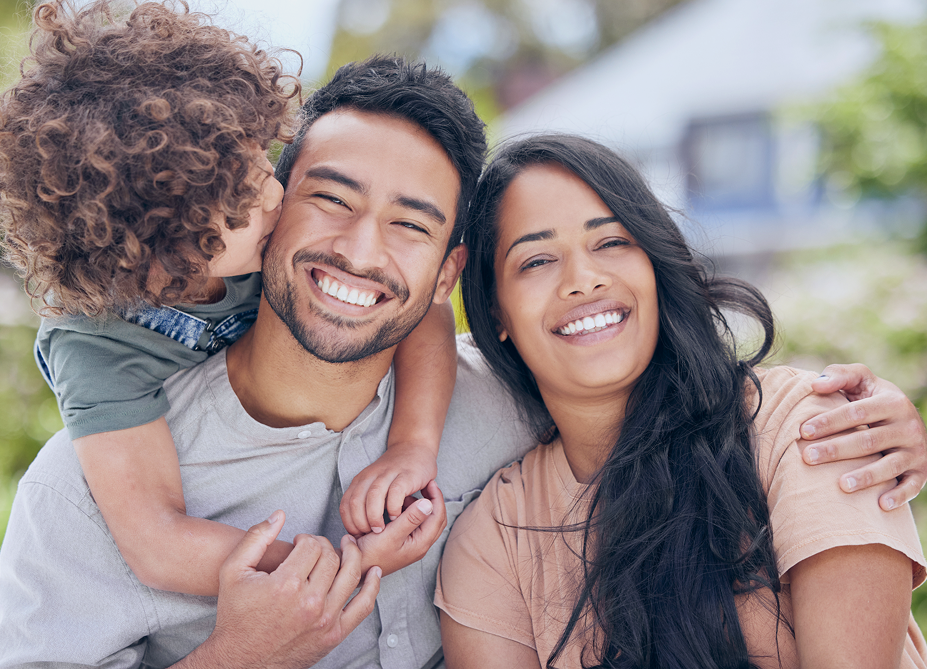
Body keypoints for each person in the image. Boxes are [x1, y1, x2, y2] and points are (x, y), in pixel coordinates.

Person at [0, 44, 924, 669]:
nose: (363, 252)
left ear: (447, 273)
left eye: (411, 225)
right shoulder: (90, 488)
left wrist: (867, 415)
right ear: (272, 211)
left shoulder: (515, 413)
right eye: (332, 201)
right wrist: (236, 656)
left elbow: (675, 396)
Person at [0, 0, 457, 599]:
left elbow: (421, 306)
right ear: (161, 238)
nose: (275, 192)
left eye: (260, 164)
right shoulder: (94, 349)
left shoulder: (259, 246)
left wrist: (412, 445)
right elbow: (159, 543)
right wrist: (336, 565)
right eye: (238, 198)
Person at [436, 134, 927, 668]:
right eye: (535, 261)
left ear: (654, 262)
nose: (583, 280)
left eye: (611, 243)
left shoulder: (806, 429)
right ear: (495, 310)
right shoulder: (494, 541)